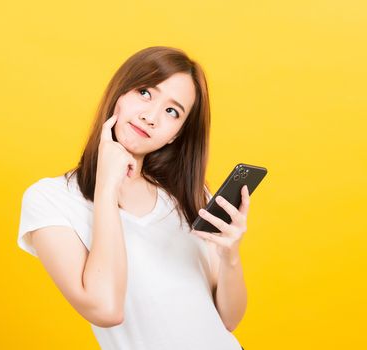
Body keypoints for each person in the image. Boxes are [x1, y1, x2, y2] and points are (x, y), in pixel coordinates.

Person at [17, 46, 248, 350]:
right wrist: (106, 187)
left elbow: (228, 320)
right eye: (144, 92)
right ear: (119, 94)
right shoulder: (51, 199)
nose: (150, 116)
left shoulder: (188, 196)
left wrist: (230, 255)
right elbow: (106, 309)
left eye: (172, 111)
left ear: (176, 134)